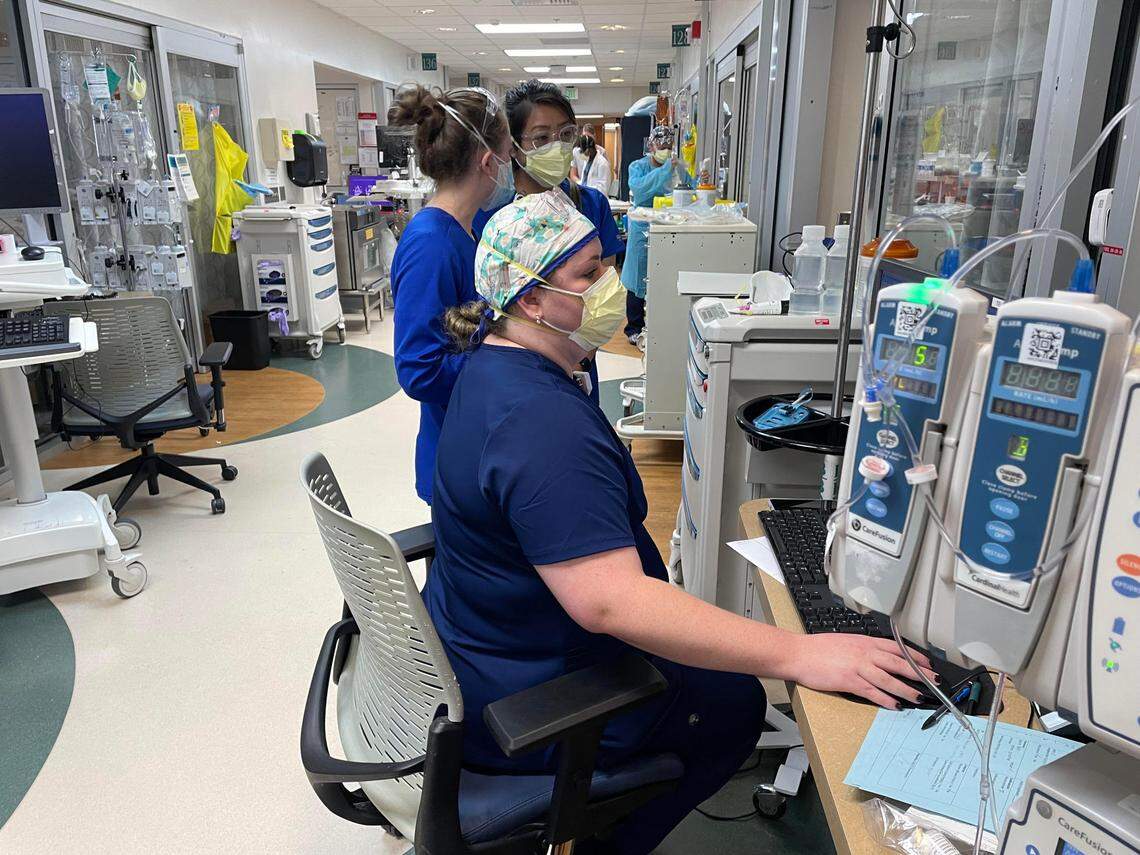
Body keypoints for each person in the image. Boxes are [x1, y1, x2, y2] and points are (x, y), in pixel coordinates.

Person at [427, 190, 939, 854]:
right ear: (531, 300)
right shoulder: (540, 424)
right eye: (587, 273)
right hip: (533, 698)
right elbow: (610, 601)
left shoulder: (492, 366)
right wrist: (802, 653)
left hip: (489, 650)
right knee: (731, 706)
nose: (610, 285)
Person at [387, 85, 513, 504]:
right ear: (487, 161)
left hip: (479, 442)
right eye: (508, 155)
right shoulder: (431, 244)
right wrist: (509, 358)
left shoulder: (465, 231)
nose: (510, 168)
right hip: (456, 460)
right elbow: (419, 371)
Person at [621, 125, 677, 343]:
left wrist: (701, 179)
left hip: (667, 226)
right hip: (642, 226)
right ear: (651, 146)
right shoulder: (638, 166)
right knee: (637, 276)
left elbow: (688, 186)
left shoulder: (675, 166)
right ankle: (634, 327)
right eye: (661, 146)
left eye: (669, 146)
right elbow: (640, 188)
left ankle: (659, 324)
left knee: (662, 275)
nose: (665, 150)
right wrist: (664, 171)